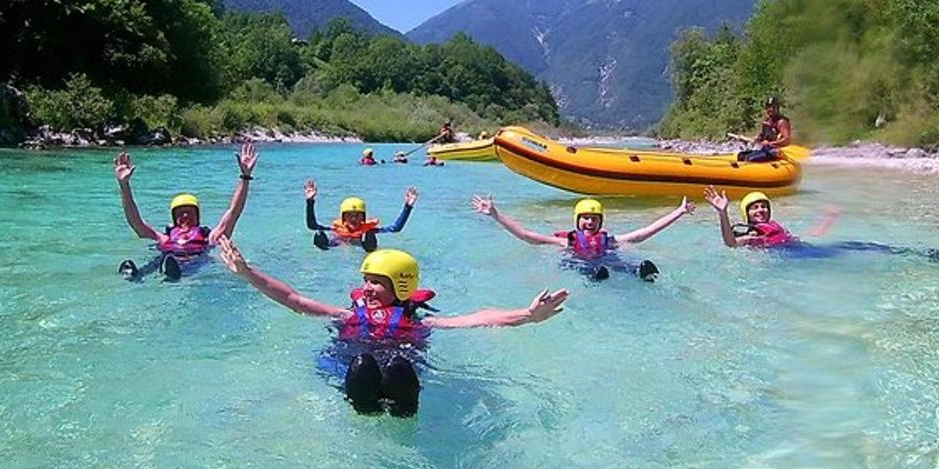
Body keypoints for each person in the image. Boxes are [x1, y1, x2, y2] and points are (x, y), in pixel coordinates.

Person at [219, 238, 568, 416]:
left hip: (399, 370)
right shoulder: (346, 315)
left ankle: (402, 408)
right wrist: (248, 273)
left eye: (377, 282)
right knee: (362, 366)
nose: (368, 288)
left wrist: (528, 314)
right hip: (352, 368)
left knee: (399, 368)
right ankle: (364, 404)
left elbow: (478, 318)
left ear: (401, 286)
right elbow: (294, 299)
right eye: (366, 280)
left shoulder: (419, 321)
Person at [115, 143, 257, 281]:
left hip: (193, 262)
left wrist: (245, 178)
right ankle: (135, 274)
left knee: (192, 264)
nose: (185, 216)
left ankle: (173, 273)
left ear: (198, 216)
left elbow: (234, 212)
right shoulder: (165, 238)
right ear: (173, 217)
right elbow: (135, 222)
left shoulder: (209, 238)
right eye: (181, 213)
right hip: (167, 258)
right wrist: (124, 185)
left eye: (189, 212)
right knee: (157, 262)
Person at [471, 194, 696, 281]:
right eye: (585, 218)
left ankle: (639, 273)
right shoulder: (566, 241)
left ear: (600, 222)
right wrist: (495, 214)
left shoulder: (608, 241)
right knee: (580, 266)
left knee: (620, 263)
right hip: (579, 262)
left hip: (604, 260)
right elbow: (527, 236)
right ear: (578, 221)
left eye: (594, 219)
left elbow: (642, 234)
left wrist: (679, 212)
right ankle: (594, 277)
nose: (590, 222)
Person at [703, 186, 939, 261]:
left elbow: (811, 235)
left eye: (764, 206)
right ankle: (919, 257)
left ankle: (921, 255)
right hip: (797, 260)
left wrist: (828, 218)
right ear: (747, 214)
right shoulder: (753, 235)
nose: (761, 210)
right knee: (861, 251)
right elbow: (731, 243)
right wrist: (722, 213)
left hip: (807, 250)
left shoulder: (776, 227)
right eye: (755, 207)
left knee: (861, 245)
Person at [305, 179, 418, 252]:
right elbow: (312, 225)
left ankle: (370, 250)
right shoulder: (336, 229)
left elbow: (396, 228)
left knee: (369, 236)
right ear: (343, 218)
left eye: (358, 215)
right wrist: (310, 201)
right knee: (319, 234)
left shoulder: (369, 230)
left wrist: (408, 207)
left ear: (363, 217)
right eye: (349, 215)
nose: (353, 218)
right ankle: (324, 248)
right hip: (339, 244)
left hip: (364, 245)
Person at [735, 96, 792, 162]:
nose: (770, 109)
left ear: (777, 108)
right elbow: (762, 137)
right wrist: (750, 139)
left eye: (773, 107)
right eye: (768, 107)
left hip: (774, 151)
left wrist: (770, 143)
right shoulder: (767, 121)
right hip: (765, 149)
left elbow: (787, 140)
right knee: (741, 155)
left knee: (750, 158)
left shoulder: (781, 122)